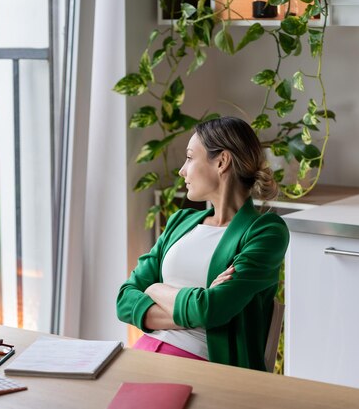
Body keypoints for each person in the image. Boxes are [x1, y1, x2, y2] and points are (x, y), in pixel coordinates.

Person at [116, 116, 289, 371]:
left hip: (205, 367)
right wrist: (197, 307)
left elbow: (211, 311)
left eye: (189, 157)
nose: (182, 170)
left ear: (222, 161)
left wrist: (154, 289)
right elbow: (124, 300)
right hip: (143, 354)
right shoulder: (180, 221)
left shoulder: (265, 232)